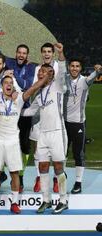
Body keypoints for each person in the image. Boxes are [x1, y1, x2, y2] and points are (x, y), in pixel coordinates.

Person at [0, 57, 48, 214]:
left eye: (11, 84)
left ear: (13, 86)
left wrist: (46, 77)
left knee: (14, 173)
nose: (9, 86)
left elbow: (33, 88)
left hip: (12, 142)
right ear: (2, 86)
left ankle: (15, 203)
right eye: (6, 83)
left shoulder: (18, 99)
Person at [0, 24, 37, 192]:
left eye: (24, 53)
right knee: (5, 143)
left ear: (27, 56)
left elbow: (26, 85)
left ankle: (21, 174)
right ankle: (2, 172)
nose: (21, 55)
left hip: (23, 111)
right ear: (16, 54)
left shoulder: (31, 67)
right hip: (7, 113)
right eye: (19, 52)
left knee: (24, 146)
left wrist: (13, 75)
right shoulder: (8, 62)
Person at [22, 43, 69, 214]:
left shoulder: (58, 86)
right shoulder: (39, 94)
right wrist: (9, 111)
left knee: (58, 167)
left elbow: (62, 69)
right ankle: (46, 200)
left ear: (51, 74)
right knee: (42, 167)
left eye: (43, 72)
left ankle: (63, 200)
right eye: (39, 71)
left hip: (57, 132)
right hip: (43, 135)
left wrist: (61, 53)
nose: (40, 74)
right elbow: (29, 111)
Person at [64, 59, 101, 194]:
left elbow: (97, 72)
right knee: (62, 153)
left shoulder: (85, 81)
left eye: (77, 66)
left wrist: (98, 69)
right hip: (63, 123)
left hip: (78, 123)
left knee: (78, 153)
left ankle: (78, 183)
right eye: (72, 66)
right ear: (69, 67)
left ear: (81, 68)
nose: (74, 68)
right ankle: (60, 179)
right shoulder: (64, 79)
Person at [31, 42, 61, 193]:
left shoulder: (57, 67)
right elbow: (34, 88)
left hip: (55, 117)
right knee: (38, 149)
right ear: (41, 53)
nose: (47, 54)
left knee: (57, 154)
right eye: (44, 51)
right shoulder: (37, 68)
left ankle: (57, 180)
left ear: (53, 53)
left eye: (49, 51)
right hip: (39, 113)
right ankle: (39, 178)